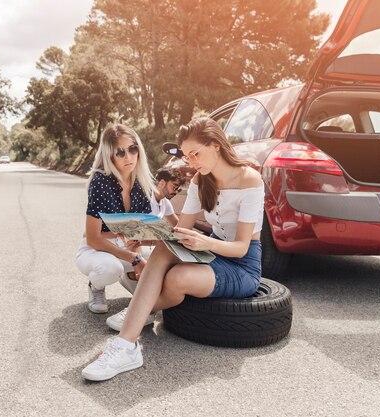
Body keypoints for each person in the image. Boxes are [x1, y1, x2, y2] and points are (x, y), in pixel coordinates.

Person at [82, 117, 264, 381]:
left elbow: (241, 248)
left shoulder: (249, 180)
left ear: (215, 145)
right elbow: (177, 233)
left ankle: (140, 311)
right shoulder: (202, 181)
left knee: (178, 278)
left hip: (242, 266)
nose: (191, 162)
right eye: (187, 156)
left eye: (196, 154)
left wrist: (205, 242)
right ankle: (126, 346)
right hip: (212, 253)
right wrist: (144, 238)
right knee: (165, 250)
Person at [75, 124, 155, 314]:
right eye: (120, 152)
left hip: (128, 247)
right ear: (110, 155)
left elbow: (142, 230)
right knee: (110, 269)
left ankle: (128, 274)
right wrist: (134, 259)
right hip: (96, 248)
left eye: (132, 149)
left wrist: (138, 248)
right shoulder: (100, 181)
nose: (128, 157)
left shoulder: (142, 182)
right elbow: (94, 238)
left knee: (160, 263)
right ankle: (96, 286)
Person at [105, 167, 185, 331]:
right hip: (123, 245)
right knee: (151, 265)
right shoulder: (143, 198)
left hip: (142, 244)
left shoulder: (165, 203)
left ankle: (146, 302)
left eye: (179, 188)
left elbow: (177, 227)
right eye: (174, 186)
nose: (176, 191)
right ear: (162, 182)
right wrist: (137, 261)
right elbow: (133, 235)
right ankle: (100, 286)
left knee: (170, 256)